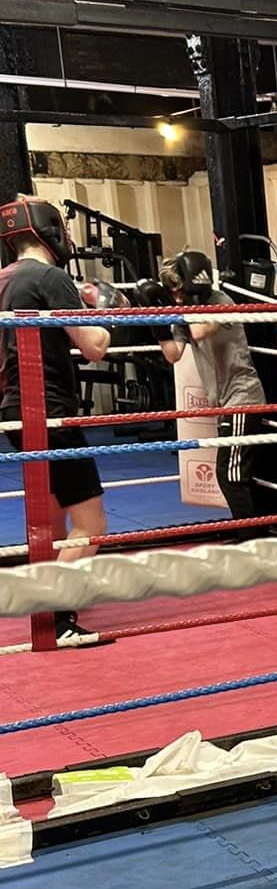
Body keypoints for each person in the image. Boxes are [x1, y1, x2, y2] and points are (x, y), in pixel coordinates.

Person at [0, 195, 111, 648]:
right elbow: (94, 347)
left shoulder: (4, 278)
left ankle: (48, 611)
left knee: (50, 522)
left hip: (14, 410)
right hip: (50, 412)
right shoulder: (51, 277)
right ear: (52, 232)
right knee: (91, 522)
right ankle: (58, 617)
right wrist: (103, 308)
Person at [157, 249, 277, 530]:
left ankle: (251, 541)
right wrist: (156, 323)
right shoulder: (184, 312)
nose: (177, 297)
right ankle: (256, 536)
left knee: (230, 476)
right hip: (224, 403)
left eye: (180, 289)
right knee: (234, 475)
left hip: (243, 397)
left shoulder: (221, 302)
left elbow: (200, 332)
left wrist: (178, 308)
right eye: (172, 292)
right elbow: (173, 354)